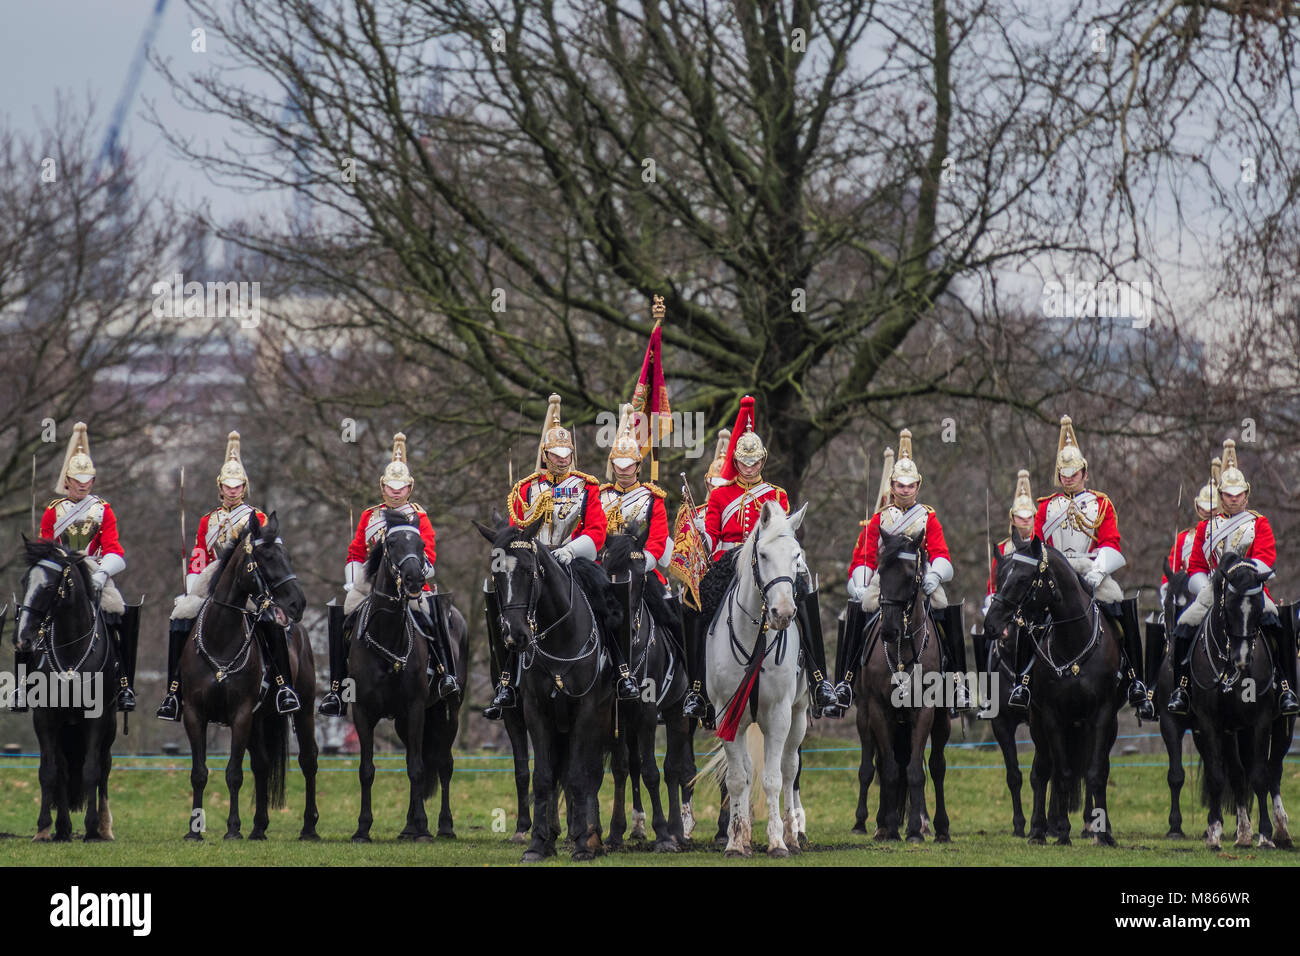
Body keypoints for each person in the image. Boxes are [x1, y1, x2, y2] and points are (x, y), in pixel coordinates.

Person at [484, 394, 639, 719]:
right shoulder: (525, 489)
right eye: (555, 454)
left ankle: (621, 669)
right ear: (545, 455)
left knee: (609, 594)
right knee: (499, 600)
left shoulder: (587, 486)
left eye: (566, 454)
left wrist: (570, 550)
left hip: (574, 560)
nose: (562, 459)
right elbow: (514, 534)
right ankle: (506, 680)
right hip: (531, 563)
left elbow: (597, 531)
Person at [703, 396, 840, 717]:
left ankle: (819, 679)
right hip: (729, 563)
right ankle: (697, 688)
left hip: (769, 564)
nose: (749, 468)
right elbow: (711, 534)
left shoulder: (776, 495)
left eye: (754, 463)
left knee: (805, 598)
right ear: (735, 461)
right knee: (696, 605)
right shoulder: (721, 494)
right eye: (743, 462)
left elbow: (784, 534)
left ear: (762, 461)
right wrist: (696, 539)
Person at [158, 431, 303, 719]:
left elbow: (273, 553)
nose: (233, 490)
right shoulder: (206, 520)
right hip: (212, 581)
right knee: (180, 616)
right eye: (228, 486)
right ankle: (174, 691)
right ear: (220, 488)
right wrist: (192, 587)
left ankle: (283, 686)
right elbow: (199, 555)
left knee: (270, 620)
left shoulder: (257, 517)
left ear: (244, 487)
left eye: (238, 486)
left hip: (249, 583)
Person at [318, 432, 460, 717]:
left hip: (411, 583)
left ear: (409, 488)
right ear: (383, 487)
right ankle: (338, 687)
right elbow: (356, 552)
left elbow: (429, 555)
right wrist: (353, 579)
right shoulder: (369, 516)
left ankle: (444, 673)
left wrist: (415, 576)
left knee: (431, 614)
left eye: (401, 487)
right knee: (342, 612)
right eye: (391, 487)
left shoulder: (419, 517)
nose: (396, 492)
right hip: (371, 584)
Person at [1026, 415, 1153, 719]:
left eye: (1074, 473)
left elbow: (1112, 542)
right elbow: (1038, 544)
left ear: (1084, 472)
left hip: (1091, 569)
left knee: (1121, 606)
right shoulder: (1044, 507)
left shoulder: (1102, 504)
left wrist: (1098, 571)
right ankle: (1023, 679)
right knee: (1026, 616)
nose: (1069, 478)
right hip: (1056, 573)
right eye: (1064, 474)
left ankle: (1137, 679)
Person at [1167, 440, 1299, 717]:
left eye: (1239, 494)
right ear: (1220, 495)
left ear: (1246, 494)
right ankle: (1182, 686)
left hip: (1250, 587)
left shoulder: (1258, 523)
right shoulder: (1206, 528)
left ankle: (1285, 685)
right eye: (1229, 494)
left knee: (1275, 621)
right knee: (1185, 623)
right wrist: (1207, 586)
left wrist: (1243, 578)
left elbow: (1266, 558)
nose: (1234, 499)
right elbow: (1196, 567)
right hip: (1215, 589)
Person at [842, 429, 970, 712]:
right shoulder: (879, 518)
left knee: (944, 606)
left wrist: (935, 574)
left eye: (910, 485)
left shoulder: (928, 516)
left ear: (918, 486)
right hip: (883, 578)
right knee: (856, 607)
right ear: (892, 485)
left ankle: (958, 680)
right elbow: (863, 557)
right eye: (900, 485)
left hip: (920, 576)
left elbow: (941, 553)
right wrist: (861, 582)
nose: (905, 490)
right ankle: (846, 680)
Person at [35, 422, 136, 712]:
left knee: (118, 610)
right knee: (30, 611)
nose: (83, 484)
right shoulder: (53, 510)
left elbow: (115, 548)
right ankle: (23, 682)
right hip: (59, 571)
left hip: (94, 569)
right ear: (67, 479)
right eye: (78, 479)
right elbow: (46, 545)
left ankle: (123, 681)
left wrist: (102, 572)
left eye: (88, 479)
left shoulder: (103, 509)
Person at [676, 429, 729, 722]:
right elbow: (684, 554)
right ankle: (695, 686)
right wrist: (695, 533)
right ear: (708, 483)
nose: (719, 488)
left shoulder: (743, 506)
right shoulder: (697, 512)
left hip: (734, 572)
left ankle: (813, 677)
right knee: (688, 610)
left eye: (724, 483)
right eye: (715, 482)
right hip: (704, 582)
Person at [1159, 477, 1215, 605]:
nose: (1206, 512)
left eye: (1211, 509)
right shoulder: (1184, 538)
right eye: (1203, 508)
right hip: (1189, 594)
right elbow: (1173, 570)